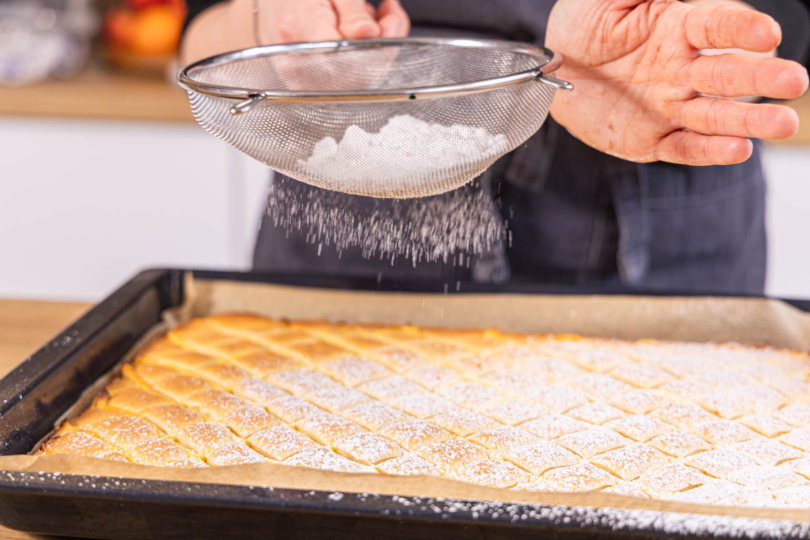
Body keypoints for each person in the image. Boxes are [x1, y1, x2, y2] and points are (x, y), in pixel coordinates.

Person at [181, 0, 810, 294]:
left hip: (655, 192)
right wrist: (271, 25)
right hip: (350, 197)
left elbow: (789, 15)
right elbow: (204, 29)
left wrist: (700, 53)